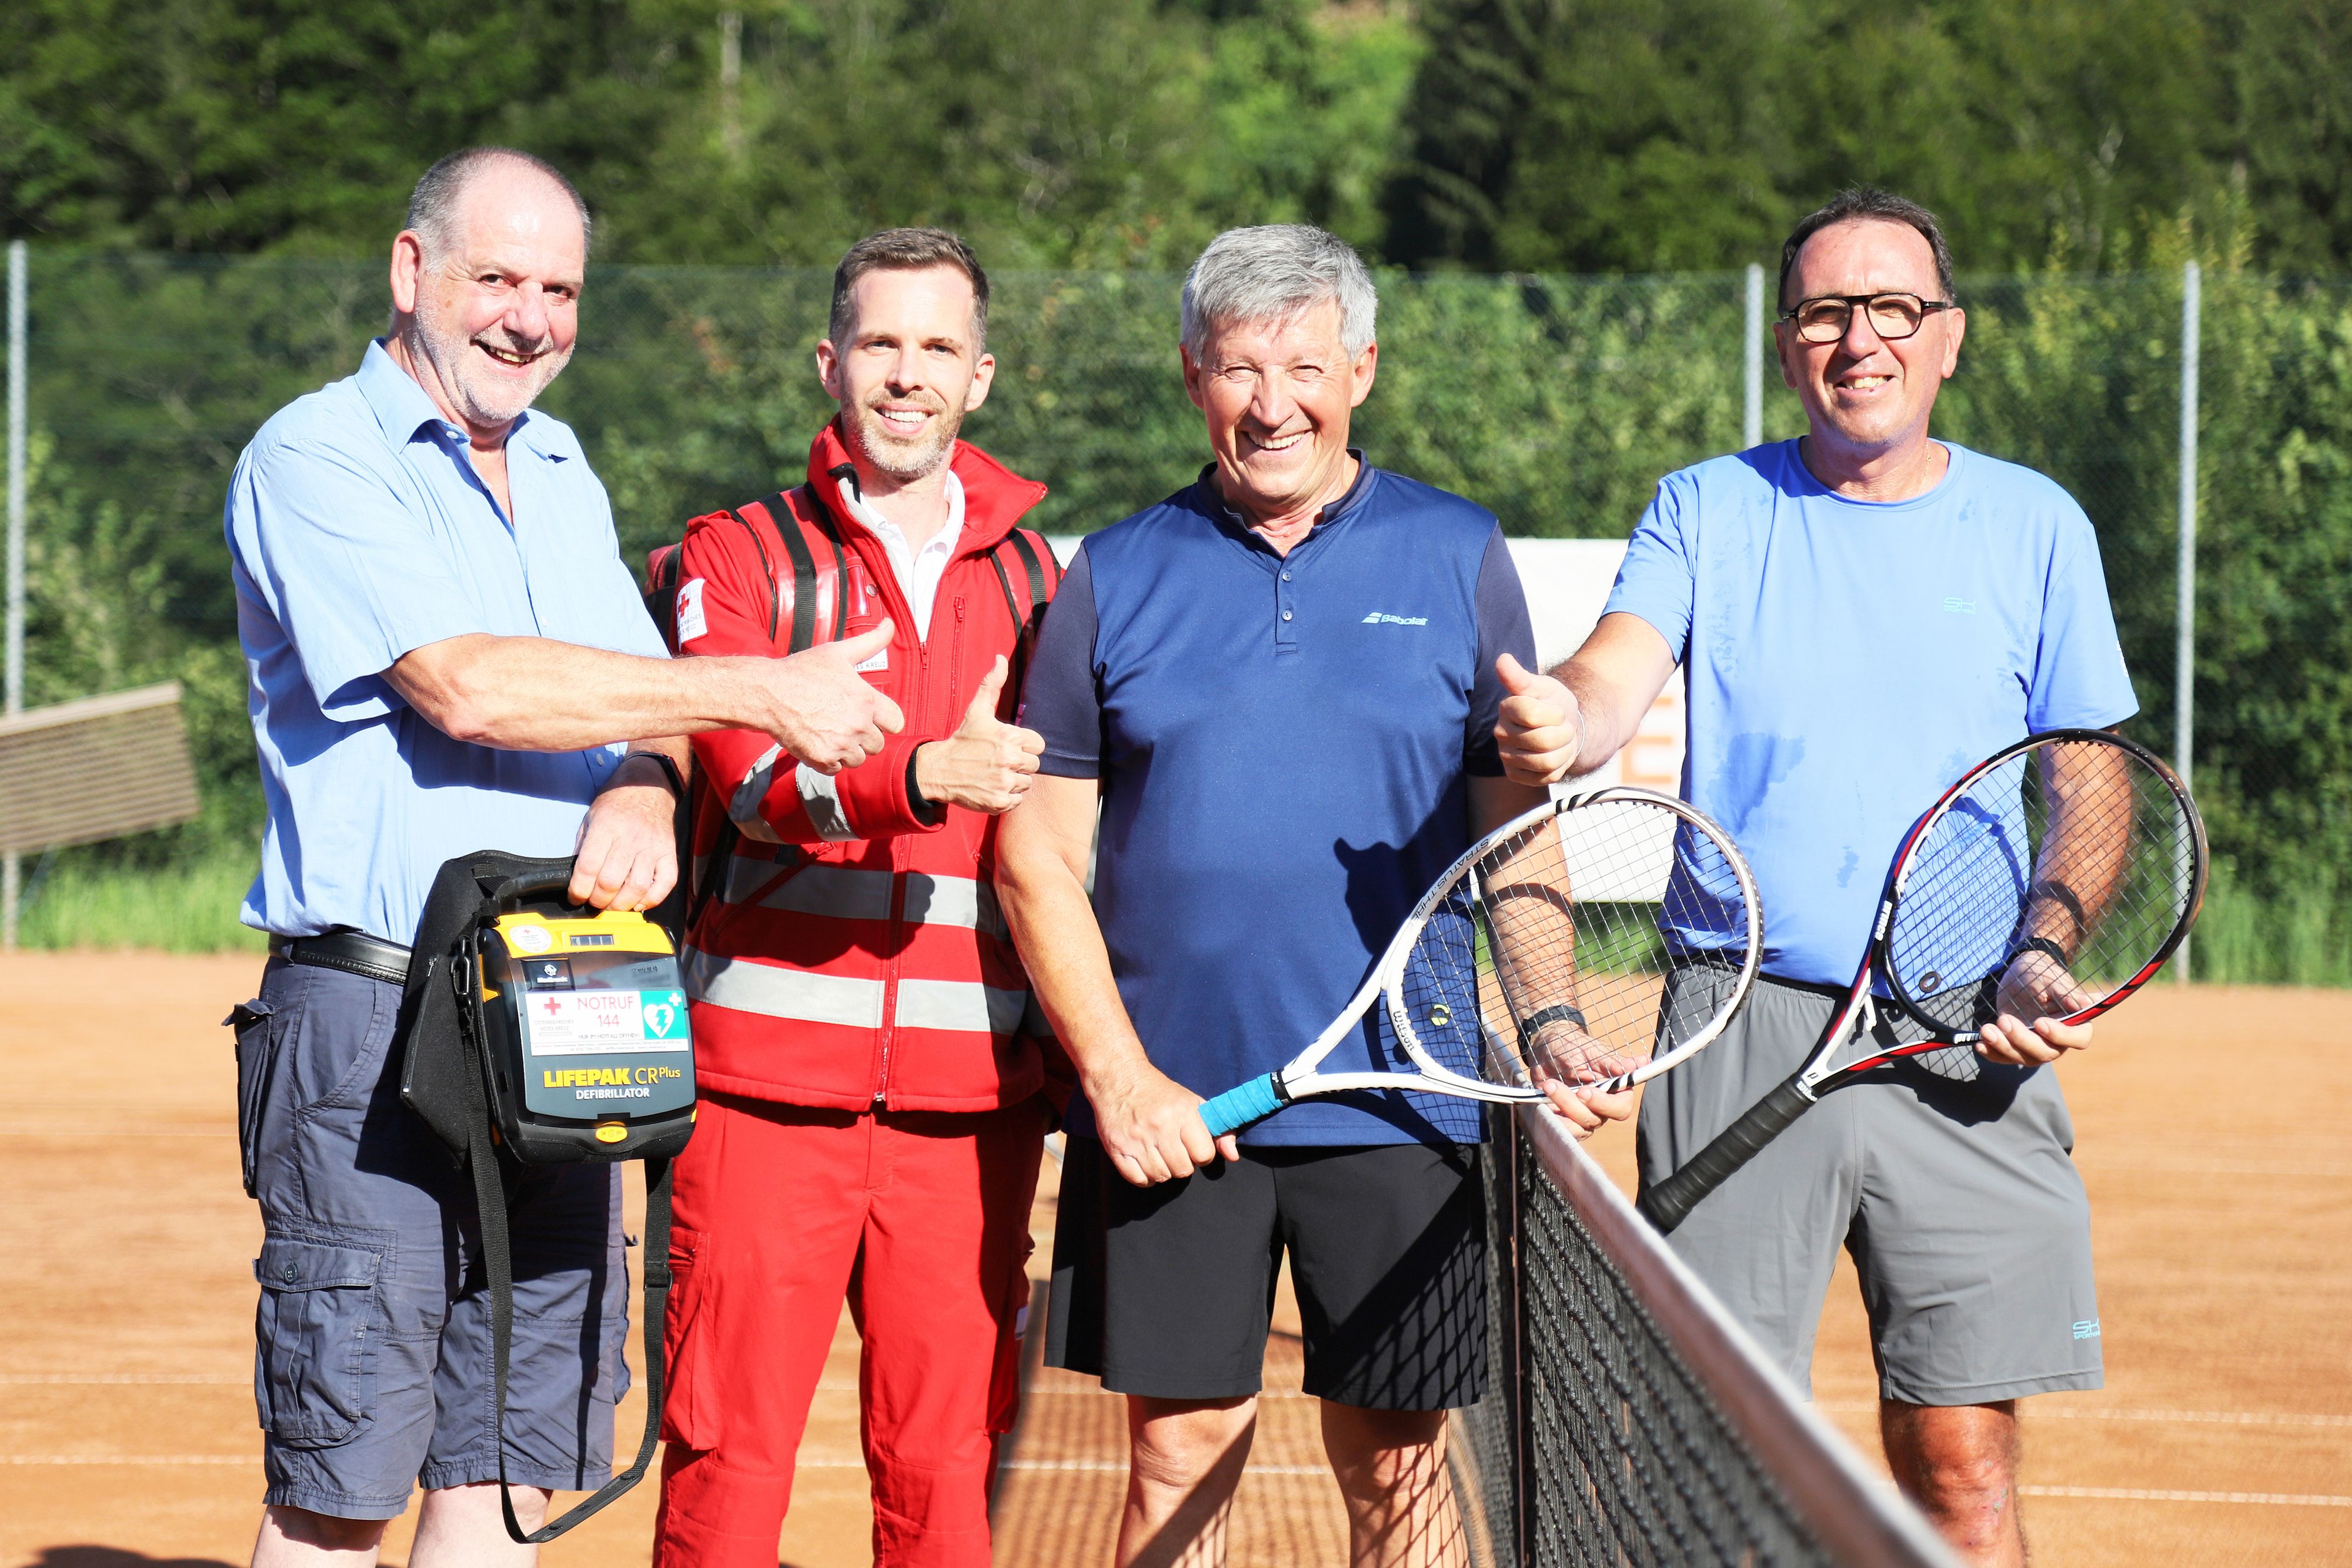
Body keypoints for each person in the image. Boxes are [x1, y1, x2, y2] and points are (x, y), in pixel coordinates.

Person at [225, 146, 901, 1568]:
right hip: (376, 1013)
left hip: (567, 1000)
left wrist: (649, 791)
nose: (527, 319)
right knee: (345, 1476)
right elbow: (467, 685)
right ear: (411, 272)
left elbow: (637, 698)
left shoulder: (558, 463)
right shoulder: (313, 455)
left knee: (509, 1468)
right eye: (496, 279)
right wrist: (754, 689)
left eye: (559, 289)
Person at [1492, 188, 2137, 1568]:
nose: (1860, 338)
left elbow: (2088, 780)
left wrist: (2042, 943)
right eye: (1826, 311)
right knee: (1708, 1463)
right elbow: (1607, 681)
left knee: (1962, 1462)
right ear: (1786, 343)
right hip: (1737, 1025)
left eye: (1892, 307)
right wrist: (1559, 717)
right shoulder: (1703, 508)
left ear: (1947, 336)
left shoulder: (2035, 524)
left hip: (1964, 1030)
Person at [993, 224, 1633, 1568]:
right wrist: (1117, 1079)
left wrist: (1553, 1016)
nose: (1269, 402)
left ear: (1361, 369)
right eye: (1238, 367)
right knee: (1175, 1450)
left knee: (1399, 1461)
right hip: (1175, 1111)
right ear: (1192, 376)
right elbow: (1035, 856)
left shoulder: (1457, 552)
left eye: (1302, 366)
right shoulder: (1112, 572)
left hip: (1403, 1098)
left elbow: (1511, 834)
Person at [649, 228, 1060, 1567]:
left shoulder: (1044, 580)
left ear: (980, 375)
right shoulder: (735, 555)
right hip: (756, 1104)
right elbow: (752, 783)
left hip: (970, 1116)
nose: (906, 374)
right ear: (829, 362)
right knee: (725, 1469)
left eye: (938, 347)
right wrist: (923, 773)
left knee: (945, 1480)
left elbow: (1069, 842)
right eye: (880, 342)